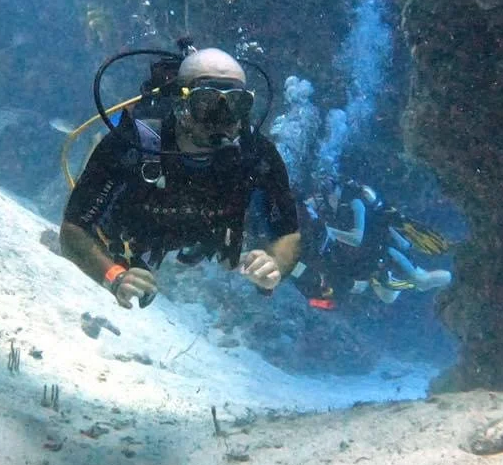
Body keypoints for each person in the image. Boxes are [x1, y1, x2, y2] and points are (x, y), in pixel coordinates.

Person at [60, 47, 301, 309]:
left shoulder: (257, 153)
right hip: (131, 236)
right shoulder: (132, 143)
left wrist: (275, 264)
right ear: (180, 103)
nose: (222, 118)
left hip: (204, 235)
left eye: (236, 103)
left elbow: (288, 233)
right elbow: (73, 228)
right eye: (207, 102)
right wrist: (113, 275)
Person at [290, 174, 453, 310]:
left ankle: (457, 278)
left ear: (337, 187)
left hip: (383, 250)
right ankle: (394, 280)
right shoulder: (321, 204)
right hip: (365, 261)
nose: (326, 197)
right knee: (387, 297)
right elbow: (306, 210)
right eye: (323, 192)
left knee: (421, 281)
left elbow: (356, 238)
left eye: (329, 190)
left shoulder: (355, 202)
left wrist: (329, 231)